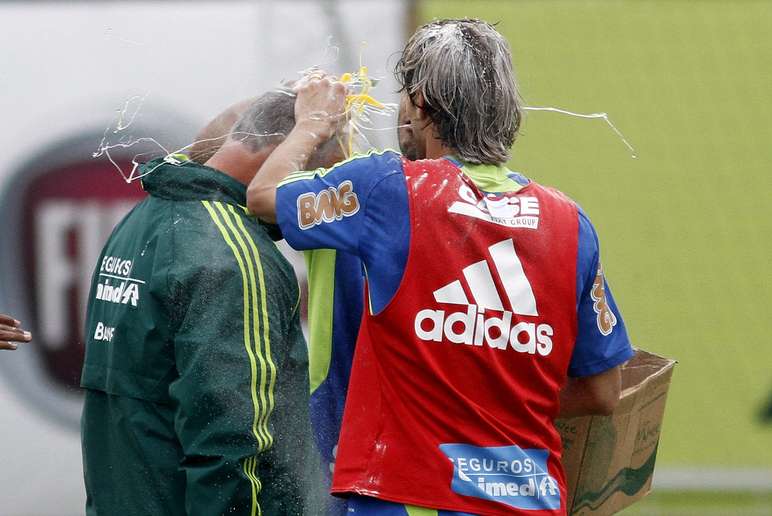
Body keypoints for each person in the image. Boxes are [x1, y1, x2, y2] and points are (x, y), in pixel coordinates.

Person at [247, 18, 635, 516]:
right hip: (531, 501)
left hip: (408, 498)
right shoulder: (570, 222)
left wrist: (312, 124)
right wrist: (493, 399)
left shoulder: (390, 188)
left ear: (423, 103)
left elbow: (261, 196)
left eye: (404, 93)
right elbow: (604, 390)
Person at [80, 90, 335, 515]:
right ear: (285, 157)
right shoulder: (231, 253)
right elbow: (237, 437)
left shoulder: (146, 217)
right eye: (320, 179)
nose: (309, 207)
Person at [191, 90, 364, 516]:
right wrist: (300, 116)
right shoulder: (357, 191)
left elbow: (262, 195)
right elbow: (210, 157)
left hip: (342, 438)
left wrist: (311, 126)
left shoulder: (363, 187)